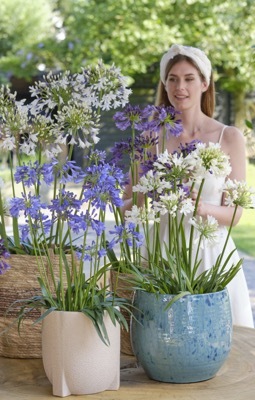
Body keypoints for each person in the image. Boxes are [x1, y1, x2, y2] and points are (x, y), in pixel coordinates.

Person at [122, 44, 254, 328]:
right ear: (164, 84)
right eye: (172, 78)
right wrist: (148, 195)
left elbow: (235, 214)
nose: (179, 86)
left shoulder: (228, 137)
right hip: (160, 253)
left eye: (189, 78)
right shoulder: (148, 137)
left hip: (210, 253)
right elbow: (126, 206)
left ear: (205, 83)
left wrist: (200, 206)